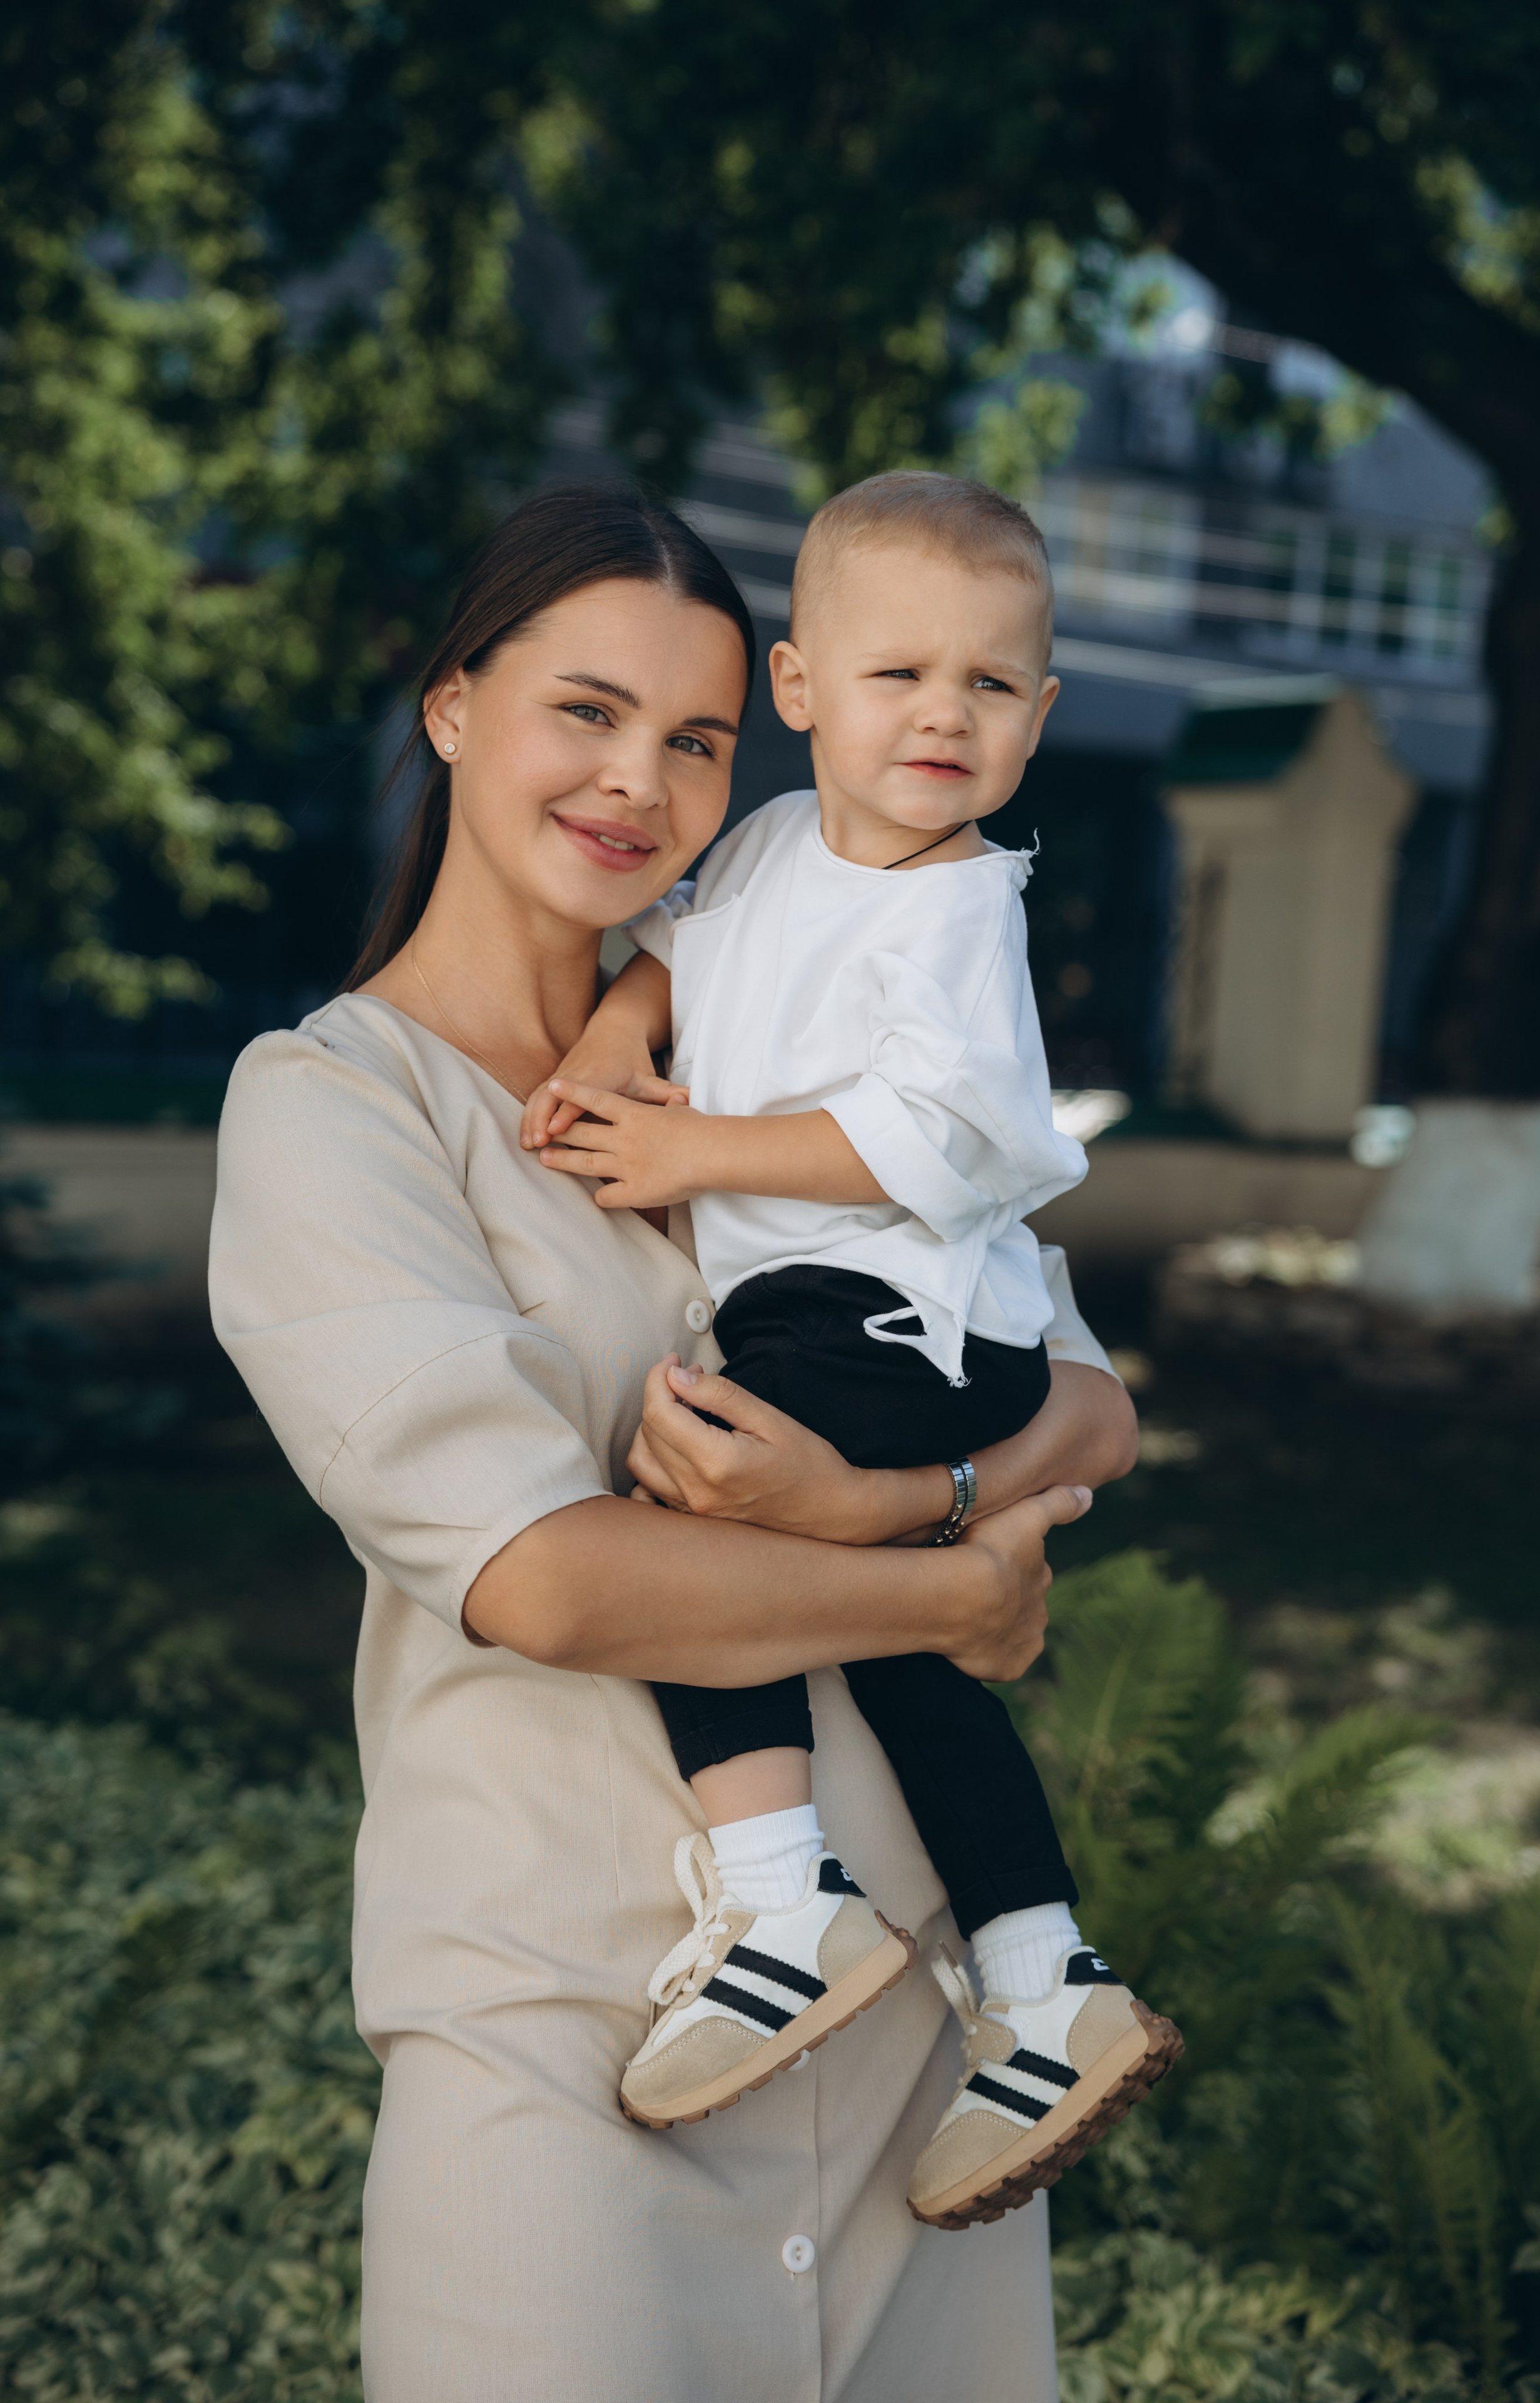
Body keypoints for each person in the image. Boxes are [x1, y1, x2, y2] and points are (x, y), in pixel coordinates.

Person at [210, 483, 1138, 2402]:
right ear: (453, 703)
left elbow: (1089, 1402)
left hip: (919, 2075)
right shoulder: (338, 1114)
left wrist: (904, 1508)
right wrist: (951, 1584)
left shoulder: (807, 1028)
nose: (639, 779)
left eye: (697, 739)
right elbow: (546, 1575)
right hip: (569, 2061)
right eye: (584, 709)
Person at [522, 472, 1181, 2231]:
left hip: (898, 1318)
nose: (943, 718)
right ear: (802, 691)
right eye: (899, 677)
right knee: (893, 1652)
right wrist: (613, 1033)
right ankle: (1048, 1986)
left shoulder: (960, 912)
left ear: (1041, 723)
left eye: (990, 686)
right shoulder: (763, 847)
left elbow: (920, 1139)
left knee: (691, 1522)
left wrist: (690, 1155)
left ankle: (777, 1892)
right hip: (840, 1317)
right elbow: (679, 957)